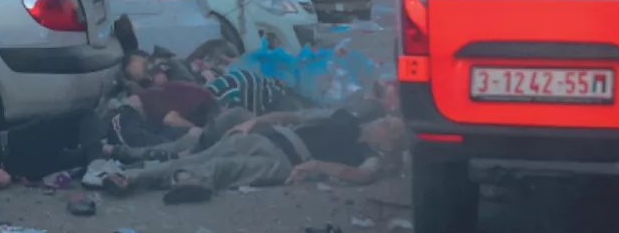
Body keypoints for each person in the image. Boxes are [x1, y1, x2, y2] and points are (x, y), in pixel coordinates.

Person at [103, 107, 407, 204]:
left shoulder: (370, 156)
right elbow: (295, 115)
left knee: (224, 167)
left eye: (390, 127)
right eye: (388, 119)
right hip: (267, 136)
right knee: (193, 159)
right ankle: (131, 178)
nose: (383, 122)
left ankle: (191, 183)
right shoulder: (345, 117)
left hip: (285, 161)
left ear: (389, 144)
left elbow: (361, 175)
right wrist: (255, 122)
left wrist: (317, 164)